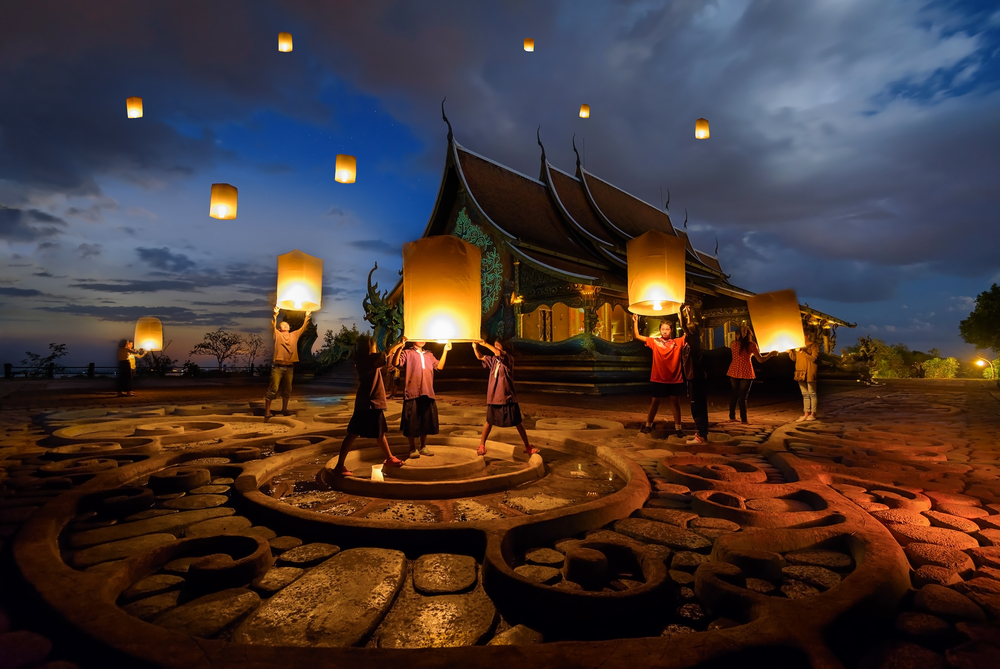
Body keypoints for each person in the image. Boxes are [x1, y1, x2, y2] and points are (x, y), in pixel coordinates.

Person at [330, 335, 407, 476]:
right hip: (370, 403)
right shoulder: (368, 360)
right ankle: (340, 466)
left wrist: (399, 347)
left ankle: (389, 458)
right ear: (369, 346)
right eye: (374, 344)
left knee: (376, 432)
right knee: (355, 433)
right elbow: (385, 354)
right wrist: (398, 343)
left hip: (367, 402)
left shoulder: (364, 360)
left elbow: (385, 357)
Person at [471, 339, 539, 457]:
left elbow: (498, 353)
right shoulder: (493, 360)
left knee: (518, 422)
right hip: (494, 397)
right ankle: (482, 445)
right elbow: (480, 357)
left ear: (504, 347)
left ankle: (527, 446)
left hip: (507, 397)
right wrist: (475, 348)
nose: (495, 347)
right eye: (495, 344)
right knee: (489, 421)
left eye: (497, 345)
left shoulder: (508, 358)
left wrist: (485, 344)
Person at [391, 337, 452, 459]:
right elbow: (396, 363)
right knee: (411, 423)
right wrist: (400, 347)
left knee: (426, 421)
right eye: (419, 337)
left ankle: (423, 446)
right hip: (412, 392)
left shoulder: (429, 354)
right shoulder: (407, 352)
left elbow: (439, 367)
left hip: (427, 392)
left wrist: (445, 350)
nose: (423, 339)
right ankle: (412, 448)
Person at [632, 313, 686, 436]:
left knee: (675, 402)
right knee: (655, 402)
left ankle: (678, 429)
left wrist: (685, 315)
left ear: (671, 330)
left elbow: (688, 332)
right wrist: (635, 321)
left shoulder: (677, 342)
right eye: (663, 329)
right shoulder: (655, 341)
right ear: (660, 330)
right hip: (659, 378)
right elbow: (637, 336)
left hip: (674, 379)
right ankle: (648, 426)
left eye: (667, 329)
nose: (665, 331)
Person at [264, 306, 311, 420]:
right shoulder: (277, 334)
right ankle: (267, 411)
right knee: (273, 389)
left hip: (290, 367)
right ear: (279, 328)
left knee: (287, 389)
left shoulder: (294, 334)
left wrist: (307, 315)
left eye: (287, 324)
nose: (285, 325)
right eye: (282, 324)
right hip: (277, 367)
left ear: (289, 327)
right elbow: (272, 325)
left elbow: (304, 327)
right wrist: (275, 315)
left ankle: (284, 409)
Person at [726, 324, 774, 424]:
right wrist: (771, 354)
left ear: (738, 335)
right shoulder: (752, 345)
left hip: (734, 371)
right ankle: (744, 419)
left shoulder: (733, 344)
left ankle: (732, 416)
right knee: (743, 397)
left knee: (734, 394)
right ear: (749, 335)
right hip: (746, 372)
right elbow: (760, 359)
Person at [679, 305, 709, 445]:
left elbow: (685, 326)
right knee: (699, 406)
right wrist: (688, 313)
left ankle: (701, 436)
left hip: (696, 378)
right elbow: (688, 327)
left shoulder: (693, 343)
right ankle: (702, 434)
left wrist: (680, 312)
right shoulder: (692, 342)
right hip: (695, 377)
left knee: (697, 407)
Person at [789, 339, 820, 422]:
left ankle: (813, 414)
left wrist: (802, 351)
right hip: (800, 372)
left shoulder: (813, 345)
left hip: (810, 371)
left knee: (812, 393)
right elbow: (795, 359)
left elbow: (813, 358)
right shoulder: (797, 345)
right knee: (805, 394)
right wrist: (790, 352)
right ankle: (806, 414)